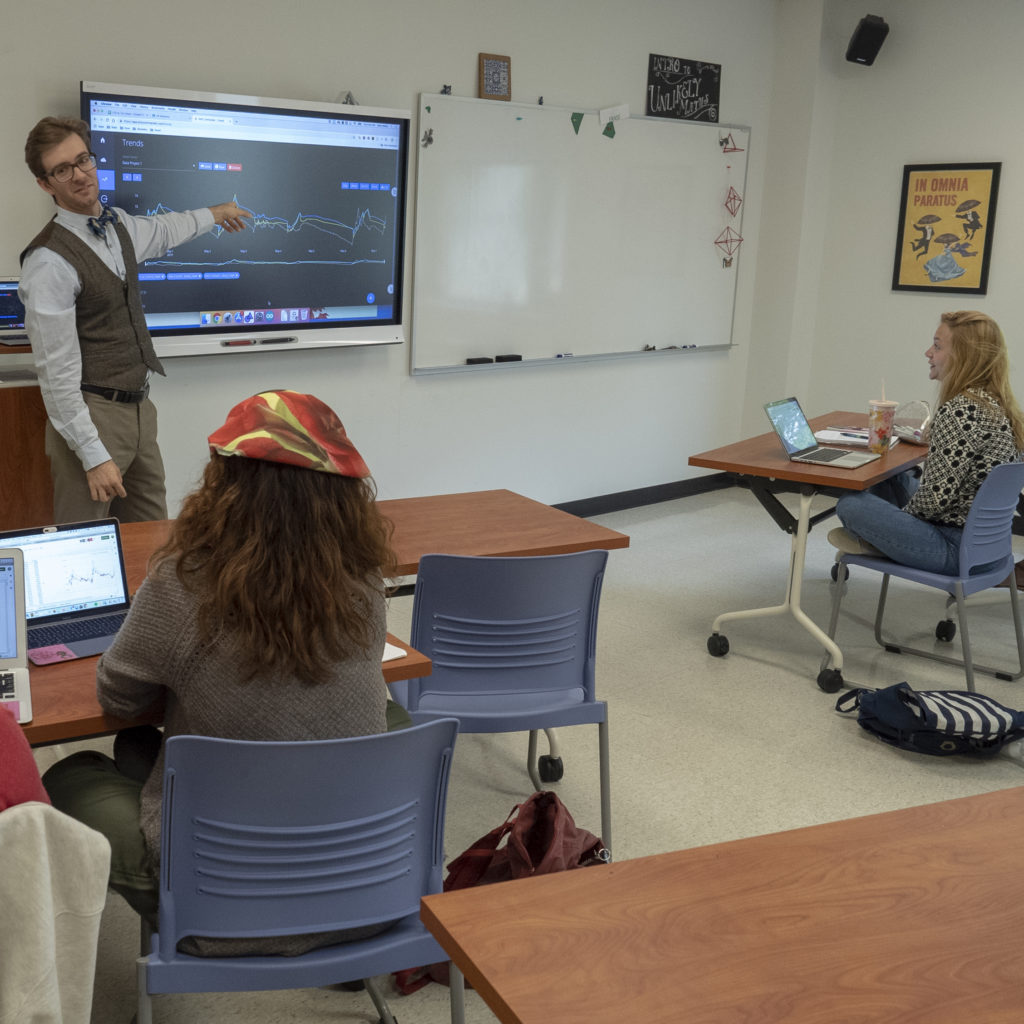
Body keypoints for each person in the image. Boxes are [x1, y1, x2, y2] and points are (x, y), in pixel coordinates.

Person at [42, 390, 406, 954]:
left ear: (224, 485)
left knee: (74, 772)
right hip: (368, 894)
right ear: (342, 493)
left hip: (216, 908)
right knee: (389, 718)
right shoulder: (364, 582)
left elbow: (117, 693)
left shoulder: (182, 585)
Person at [19, 115, 252, 525]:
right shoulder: (48, 263)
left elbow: (165, 229)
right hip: (91, 417)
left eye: (83, 160)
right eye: (62, 169)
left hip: (140, 411)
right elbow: (55, 377)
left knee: (154, 537)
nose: (79, 175)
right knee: (86, 551)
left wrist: (215, 213)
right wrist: (93, 456)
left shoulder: (118, 225)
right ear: (45, 184)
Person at [829, 310, 1024, 575]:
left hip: (955, 550)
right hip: (990, 548)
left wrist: (896, 523)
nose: (928, 353)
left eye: (937, 346)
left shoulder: (960, 409)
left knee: (850, 504)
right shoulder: (997, 404)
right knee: (893, 479)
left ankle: (880, 542)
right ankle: (881, 539)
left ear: (963, 355)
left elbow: (933, 502)